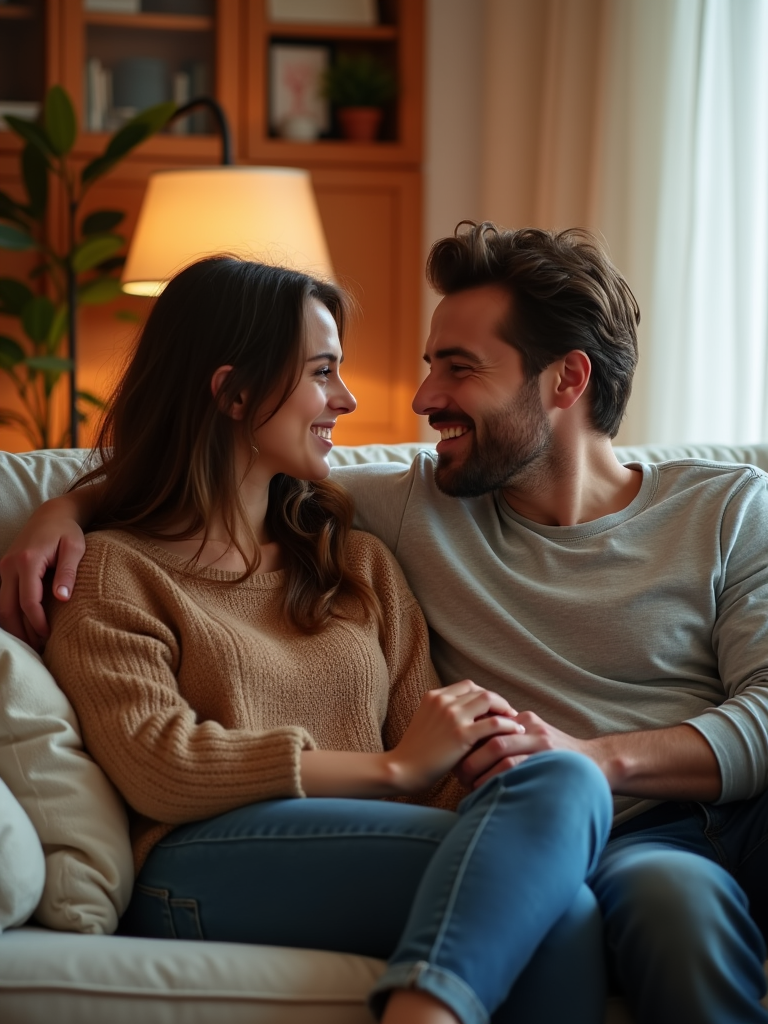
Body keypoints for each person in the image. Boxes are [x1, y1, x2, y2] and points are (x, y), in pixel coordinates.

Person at [4, 222, 767, 1021]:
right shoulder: (110, 570)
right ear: (234, 393)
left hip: (631, 830)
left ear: (566, 380)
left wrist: (474, 789)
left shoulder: (352, 553)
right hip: (202, 856)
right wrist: (64, 506)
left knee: (565, 903)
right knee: (562, 804)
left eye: (457, 367)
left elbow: (432, 758)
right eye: (324, 373)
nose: (392, 399)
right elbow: (160, 763)